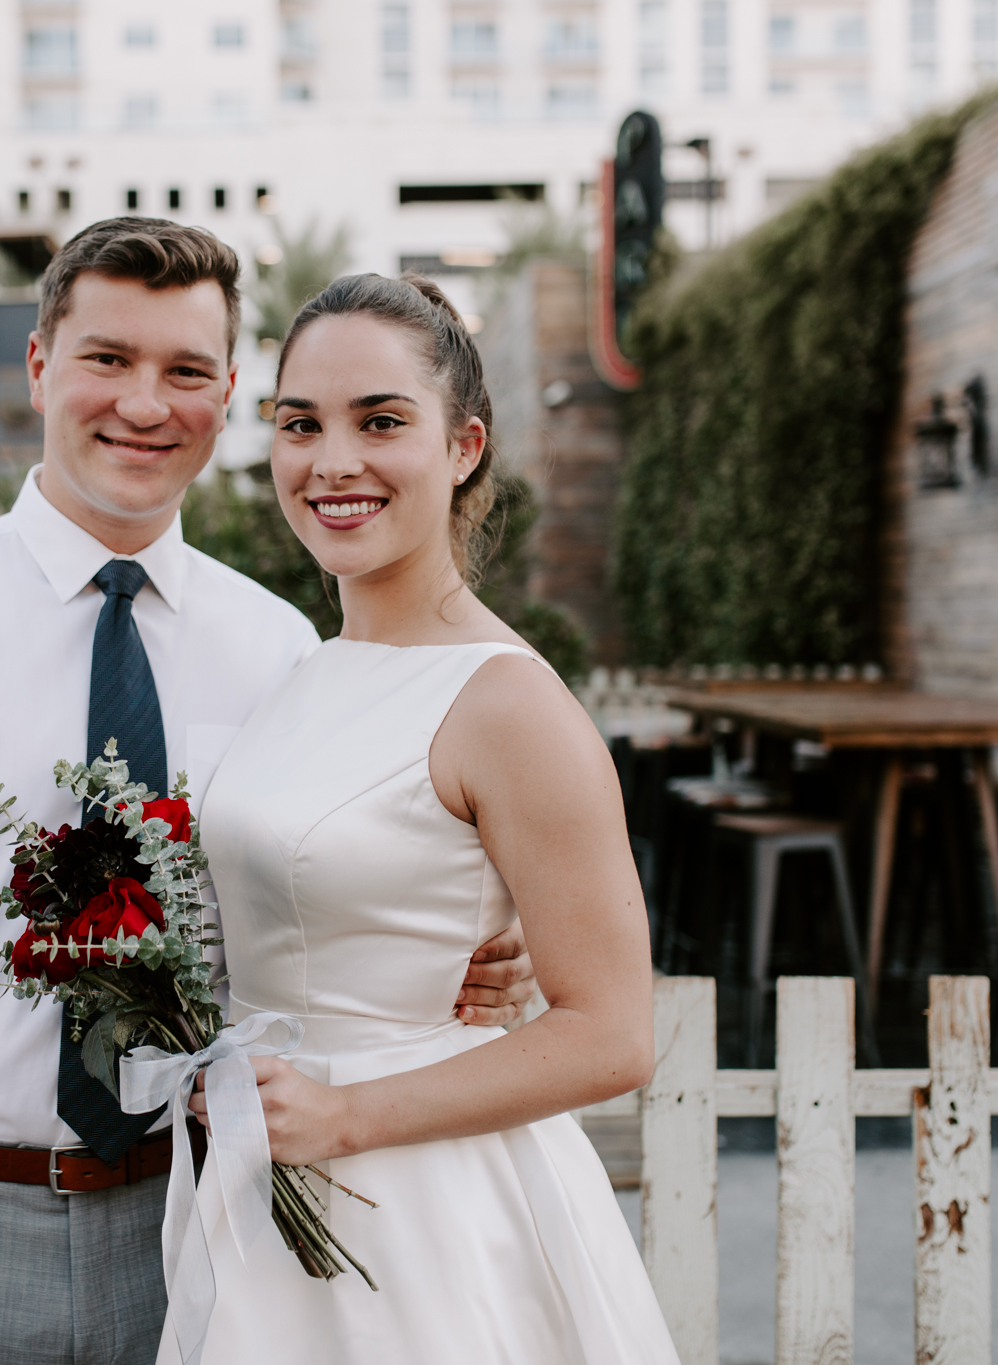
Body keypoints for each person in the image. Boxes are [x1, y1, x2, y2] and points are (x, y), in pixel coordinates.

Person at [0, 219, 536, 1365]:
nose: (143, 404)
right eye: (107, 360)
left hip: (213, 1213)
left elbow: (327, 885)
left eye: (184, 372)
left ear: (225, 395)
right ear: (38, 367)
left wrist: (462, 945)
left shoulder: (280, 647)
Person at [177, 273, 679, 1363]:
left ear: (462, 447)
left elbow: (612, 1033)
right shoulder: (312, 669)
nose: (333, 462)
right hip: (270, 1184)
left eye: (381, 422)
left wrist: (345, 1117)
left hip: (421, 1210)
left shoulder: (508, 702)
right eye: (299, 424)